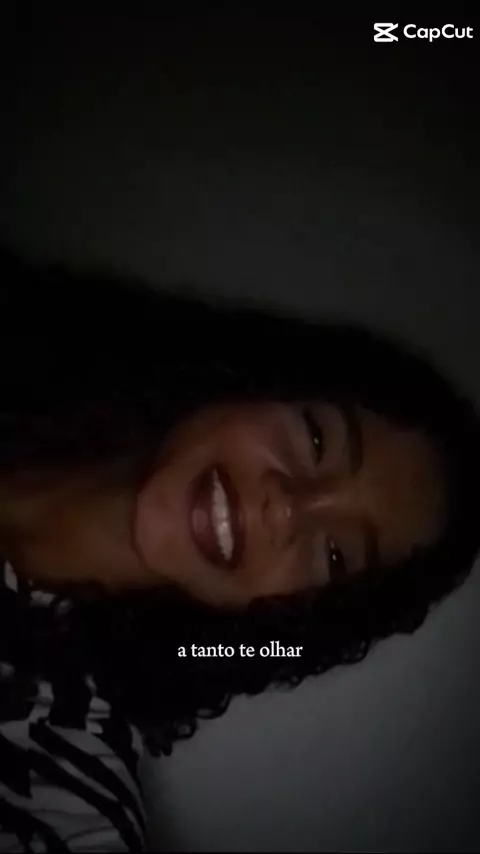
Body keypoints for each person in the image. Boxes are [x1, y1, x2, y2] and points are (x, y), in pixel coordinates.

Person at [0, 245, 479, 851]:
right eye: (317, 440)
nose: (290, 507)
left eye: (336, 558)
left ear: (293, 615)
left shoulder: (59, 765)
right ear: (257, 379)